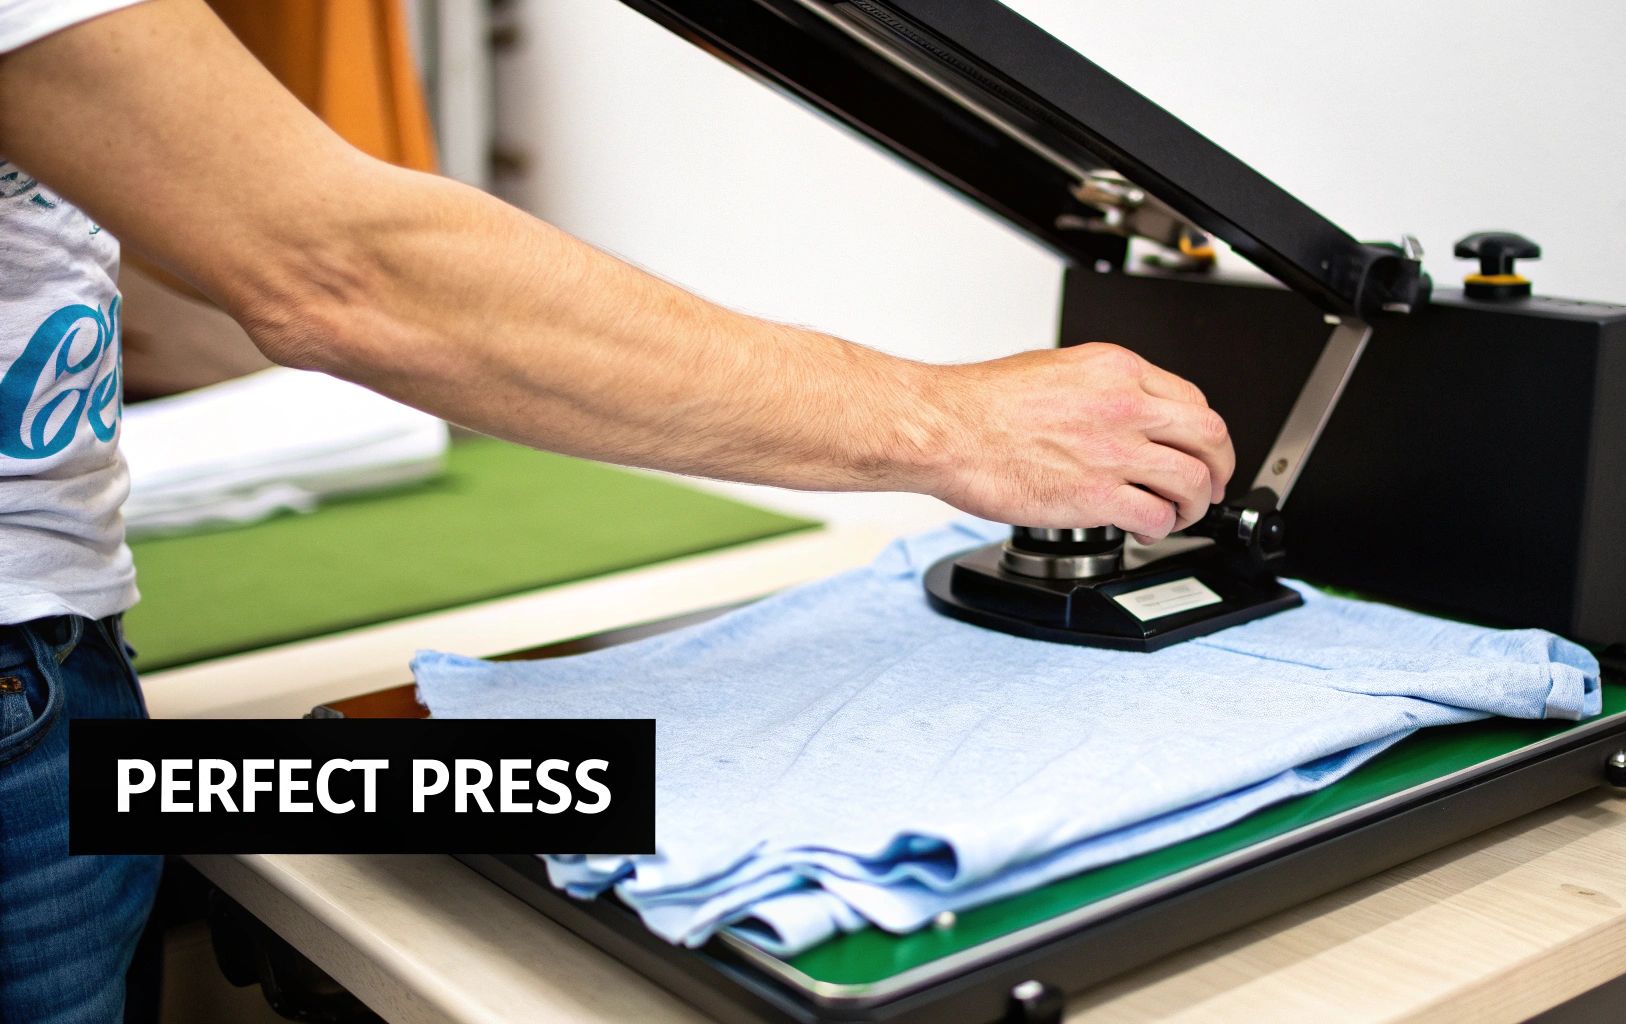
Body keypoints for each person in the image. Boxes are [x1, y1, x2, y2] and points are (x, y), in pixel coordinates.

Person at [0, 1, 1236, 1019]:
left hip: (66, 658)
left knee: (290, 793)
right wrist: (948, 422)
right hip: (19, 689)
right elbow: (333, 265)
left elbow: (172, 202)